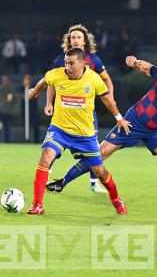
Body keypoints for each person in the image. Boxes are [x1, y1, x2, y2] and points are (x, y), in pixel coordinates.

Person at [47, 56, 157, 218]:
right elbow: (148, 68)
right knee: (100, 153)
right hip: (133, 122)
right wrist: (135, 61)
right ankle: (62, 182)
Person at [26, 48, 130, 215]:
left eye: (71, 63)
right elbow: (44, 81)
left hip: (85, 136)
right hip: (60, 130)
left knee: (100, 173)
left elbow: (107, 100)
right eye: (66, 63)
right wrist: (34, 91)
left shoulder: (94, 79)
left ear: (83, 63)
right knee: (45, 158)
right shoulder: (57, 74)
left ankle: (117, 201)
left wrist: (119, 118)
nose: (67, 67)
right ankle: (37, 205)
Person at [47, 24, 115, 193]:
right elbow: (51, 83)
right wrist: (49, 103)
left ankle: (94, 183)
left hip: (87, 113)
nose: (75, 39)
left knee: (93, 149)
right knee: (54, 146)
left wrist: (109, 98)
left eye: (79, 37)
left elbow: (107, 80)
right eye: (73, 37)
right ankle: (46, 173)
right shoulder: (61, 60)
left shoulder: (94, 60)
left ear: (85, 41)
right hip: (65, 110)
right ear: (68, 41)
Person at [0, 75, 20, 143]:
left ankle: (7, 142)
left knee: (7, 129)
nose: (5, 82)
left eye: (6, 80)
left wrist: (14, 110)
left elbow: (16, 101)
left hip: (8, 113)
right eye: (4, 81)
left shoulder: (12, 90)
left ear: (9, 81)